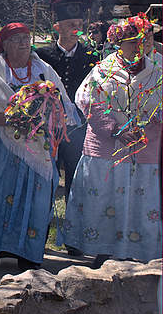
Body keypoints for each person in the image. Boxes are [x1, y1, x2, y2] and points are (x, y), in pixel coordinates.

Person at [0, 23, 80, 273]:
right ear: (4, 45)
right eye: (15, 39)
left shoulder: (43, 70)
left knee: (33, 195)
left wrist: (39, 119)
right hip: (1, 147)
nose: (23, 43)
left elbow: (62, 105)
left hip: (37, 145)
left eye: (26, 38)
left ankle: (28, 252)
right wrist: (21, 119)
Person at [63, 14, 162, 269]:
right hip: (106, 150)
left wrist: (149, 122)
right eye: (131, 42)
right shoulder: (103, 70)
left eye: (142, 41)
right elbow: (87, 101)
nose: (138, 47)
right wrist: (116, 130)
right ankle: (104, 250)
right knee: (104, 199)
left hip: (143, 149)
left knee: (140, 201)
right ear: (119, 43)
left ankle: (134, 251)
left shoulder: (157, 71)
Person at [35, 0, 98, 258]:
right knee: (45, 181)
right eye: (70, 25)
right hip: (46, 130)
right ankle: (38, 235)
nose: (76, 30)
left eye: (79, 25)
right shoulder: (42, 55)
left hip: (77, 131)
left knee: (75, 183)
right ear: (57, 26)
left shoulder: (91, 56)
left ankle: (74, 238)